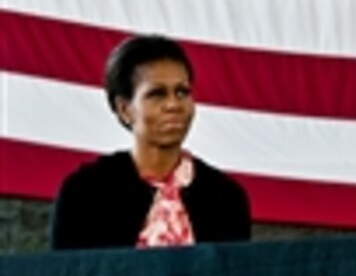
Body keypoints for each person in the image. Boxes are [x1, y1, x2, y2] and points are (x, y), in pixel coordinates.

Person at [50, 35, 251, 250]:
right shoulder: (85, 192)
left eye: (182, 92)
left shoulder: (226, 198)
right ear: (124, 109)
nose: (173, 105)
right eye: (157, 94)